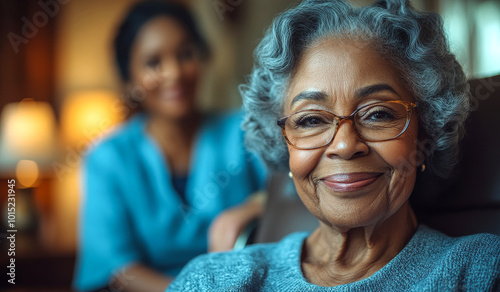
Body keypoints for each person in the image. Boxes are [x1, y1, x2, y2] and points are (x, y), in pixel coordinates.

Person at [167, 0, 500, 290]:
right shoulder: (215, 279)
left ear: (425, 134)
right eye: (311, 120)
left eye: (378, 114)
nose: (344, 145)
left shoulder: (480, 272)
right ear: (284, 146)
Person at [72, 1, 267, 291]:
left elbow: (291, 192)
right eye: (154, 63)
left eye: (185, 54)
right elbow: (118, 270)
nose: (174, 73)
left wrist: (252, 206)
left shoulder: (242, 131)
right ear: (129, 79)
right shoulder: (108, 158)